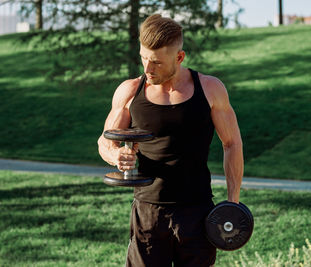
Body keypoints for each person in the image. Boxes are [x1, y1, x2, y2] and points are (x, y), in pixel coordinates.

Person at [97, 14, 243, 267]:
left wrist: (233, 202)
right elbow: (105, 140)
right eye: (143, 58)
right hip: (148, 212)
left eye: (156, 63)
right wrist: (115, 156)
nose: (147, 69)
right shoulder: (130, 91)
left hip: (197, 212)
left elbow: (232, 143)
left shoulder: (210, 89)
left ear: (179, 57)